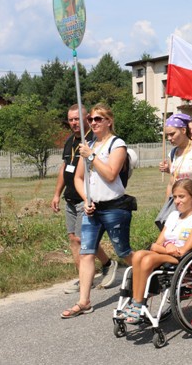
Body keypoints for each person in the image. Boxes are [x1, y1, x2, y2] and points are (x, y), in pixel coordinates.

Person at [61, 103, 135, 318]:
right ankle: (84, 302)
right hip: (93, 209)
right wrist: (86, 199)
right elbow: (77, 177)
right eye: (91, 119)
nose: (93, 123)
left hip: (115, 208)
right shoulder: (89, 144)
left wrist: (92, 156)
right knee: (86, 253)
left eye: (98, 119)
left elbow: (111, 174)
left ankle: (146, 274)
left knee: (124, 252)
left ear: (108, 121)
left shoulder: (117, 144)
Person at [119, 179, 192, 324]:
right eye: (175, 197)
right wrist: (168, 249)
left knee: (148, 259)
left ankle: (138, 304)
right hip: (167, 253)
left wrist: (167, 249)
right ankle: (135, 301)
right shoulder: (173, 216)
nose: (177, 201)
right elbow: (156, 245)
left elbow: (184, 250)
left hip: (184, 259)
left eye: (181, 196)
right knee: (138, 256)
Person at [51, 104, 116, 294]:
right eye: (70, 119)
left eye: (77, 118)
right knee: (73, 239)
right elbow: (65, 168)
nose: (73, 123)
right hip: (69, 198)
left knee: (83, 239)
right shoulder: (70, 141)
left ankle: (107, 263)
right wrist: (56, 194)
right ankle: (83, 278)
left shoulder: (94, 141)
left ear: (87, 118)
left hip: (86, 197)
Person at [159, 113, 192, 211]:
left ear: (183, 130)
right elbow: (171, 182)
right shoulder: (173, 153)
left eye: (172, 134)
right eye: (167, 135)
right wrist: (166, 208)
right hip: (177, 204)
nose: (169, 138)